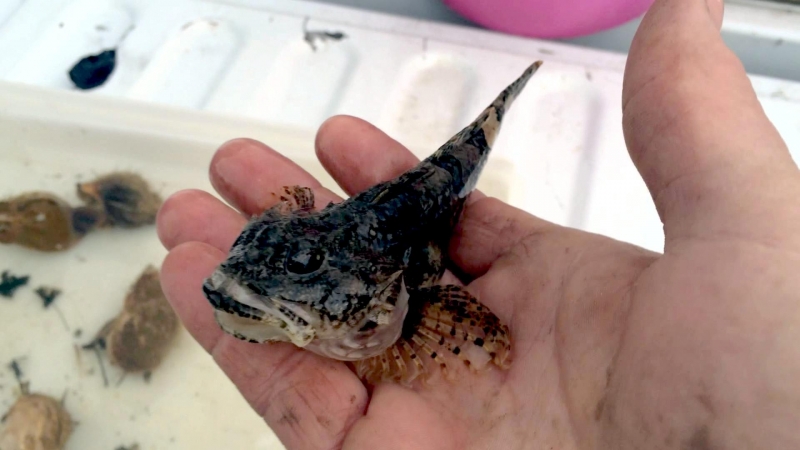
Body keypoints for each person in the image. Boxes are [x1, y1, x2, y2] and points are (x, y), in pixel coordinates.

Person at [155, 0, 800, 447]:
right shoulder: (297, 263)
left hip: (396, 228)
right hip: (358, 231)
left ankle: (509, 95)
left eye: (295, 266)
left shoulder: (394, 294)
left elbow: (443, 322)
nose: (235, 280)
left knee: (454, 169)